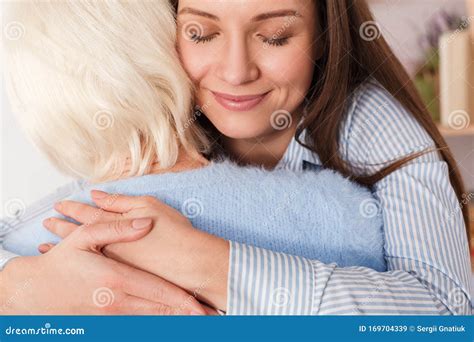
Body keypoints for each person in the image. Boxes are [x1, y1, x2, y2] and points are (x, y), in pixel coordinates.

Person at [41, 0, 471, 315]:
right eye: (201, 34)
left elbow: (446, 311)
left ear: (323, 36)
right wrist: (19, 286)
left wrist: (205, 262)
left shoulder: (372, 120)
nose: (236, 71)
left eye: (275, 36)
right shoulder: (147, 114)